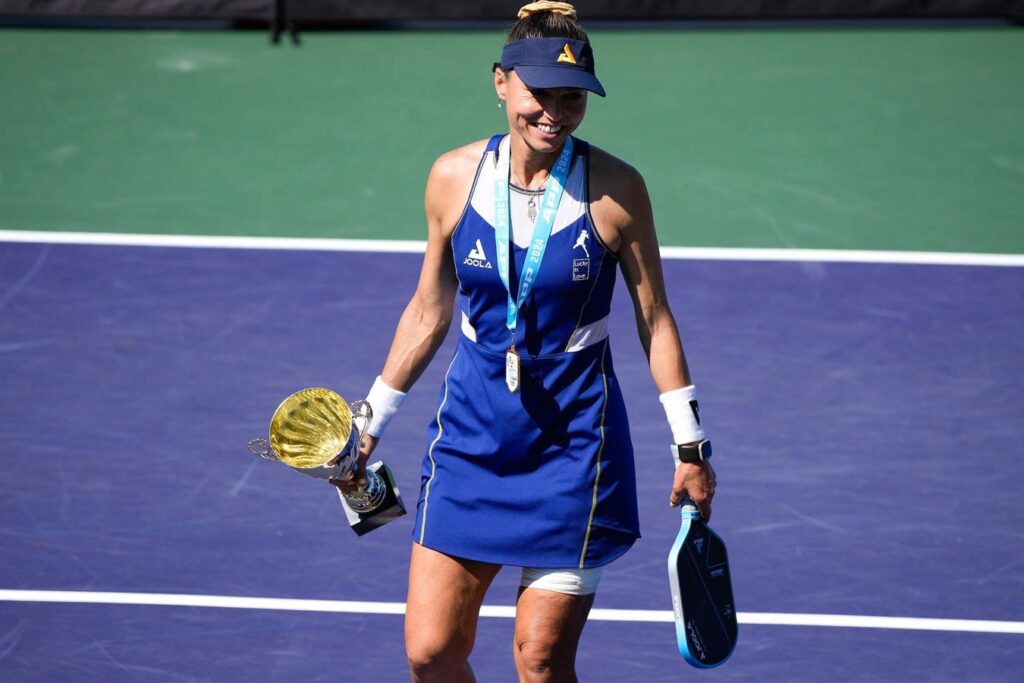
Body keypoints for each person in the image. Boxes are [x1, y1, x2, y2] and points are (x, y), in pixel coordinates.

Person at [340, 3, 717, 680]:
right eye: (540, 95)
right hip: (471, 442)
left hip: (574, 448)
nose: (555, 113)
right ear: (501, 83)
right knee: (430, 652)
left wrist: (691, 447)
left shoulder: (616, 191)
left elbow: (654, 318)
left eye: (572, 99)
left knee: (540, 661)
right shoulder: (454, 178)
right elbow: (429, 309)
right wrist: (370, 419)